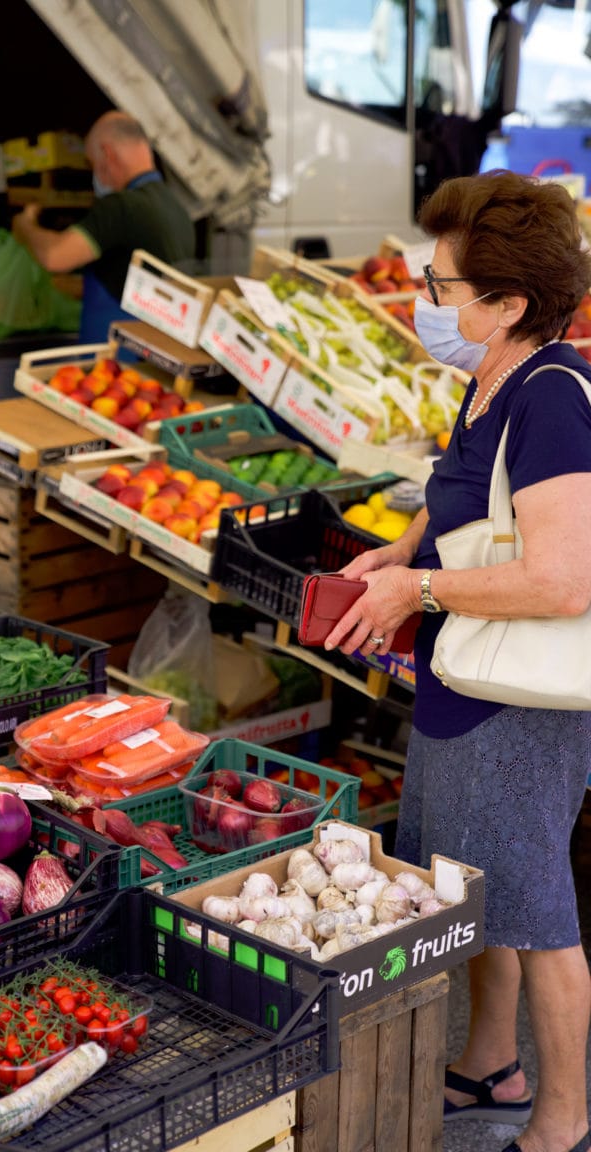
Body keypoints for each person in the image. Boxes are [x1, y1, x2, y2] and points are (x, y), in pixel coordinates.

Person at [323, 170, 591, 1152]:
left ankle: (562, 1125)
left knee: (540, 915)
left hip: (516, 701)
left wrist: (418, 592)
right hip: (460, 679)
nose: (424, 303)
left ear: (511, 303)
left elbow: (566, 580)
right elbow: (470, 498)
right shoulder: (490, 382)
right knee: (476, 886)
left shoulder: (554, 398)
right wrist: (402, 551)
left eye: (441, 288)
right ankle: (491, 1064)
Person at [12, 110, 196, 343]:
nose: (93, 174)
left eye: (91, 163)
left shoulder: (121, 206)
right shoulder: (176, 209)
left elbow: (54, 256)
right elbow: (131, 282)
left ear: (107, 155)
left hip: (116, 362)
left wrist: (25, 226)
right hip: (152, 357)